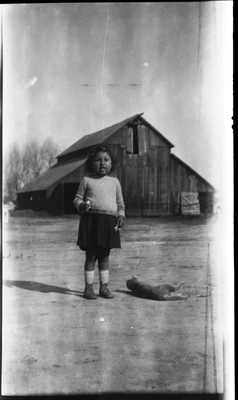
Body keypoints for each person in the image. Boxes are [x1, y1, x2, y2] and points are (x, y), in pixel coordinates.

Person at [73, 144, 125, 300]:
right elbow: (77, 199)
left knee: (104, 256)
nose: (102, 163)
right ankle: (88, 288)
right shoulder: (86, 180)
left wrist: (121, 215)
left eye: (106, 160)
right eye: (98, 160)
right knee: (91, 256)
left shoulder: (115, 182)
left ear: (111, 163)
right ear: (91, 164)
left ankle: (104, 287)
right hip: (91, 221)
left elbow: (120, 203)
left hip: (109, 222)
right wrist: (81, 205)